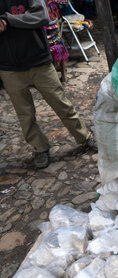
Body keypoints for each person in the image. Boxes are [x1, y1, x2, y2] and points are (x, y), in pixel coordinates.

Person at [0, 0, 95, 169]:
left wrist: (9, 19)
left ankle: (84, 137)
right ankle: (40, 148)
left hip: (39, 61)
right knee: (25, 114)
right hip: (8, 67)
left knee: (61, 103)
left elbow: (41, 16)